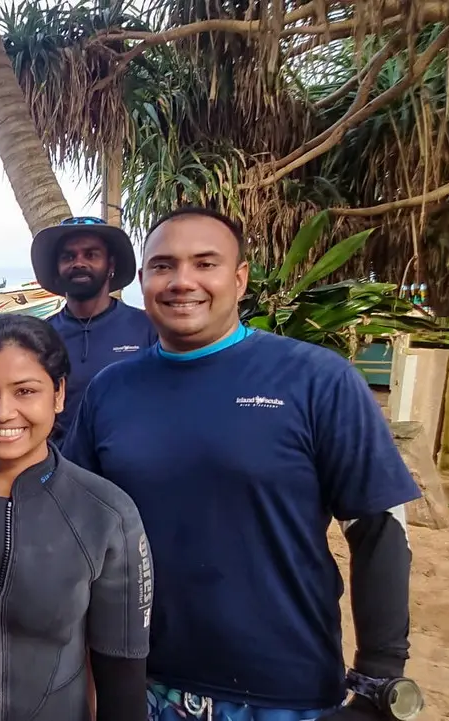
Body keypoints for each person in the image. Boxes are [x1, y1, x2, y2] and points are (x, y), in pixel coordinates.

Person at [63, 207, 425, 721]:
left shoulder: (316, 379)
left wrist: (379, 680)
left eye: (204, 263)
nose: (182, 281)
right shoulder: (110, 390)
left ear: (239, 278)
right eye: (164, 266)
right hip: (143, 685)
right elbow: (75, 524)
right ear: (143, 281)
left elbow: (378, 527)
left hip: (283, 691)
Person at [0, 313, 152, 721]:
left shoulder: (106, 513)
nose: (3, 412)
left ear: (58, 394)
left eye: (25, 391)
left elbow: (122, 683)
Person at [30, 216, 156, 446]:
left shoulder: (147, 328)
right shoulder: (40, 336)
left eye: (91, 255)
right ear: (57, 268)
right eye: (68, 257)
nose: (78, 263)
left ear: (111, 265)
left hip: (128, 463)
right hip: (58, 463)